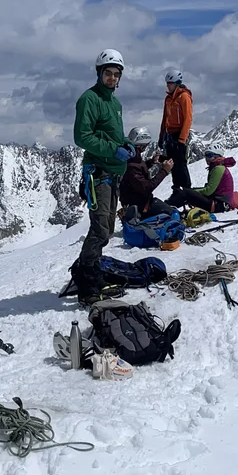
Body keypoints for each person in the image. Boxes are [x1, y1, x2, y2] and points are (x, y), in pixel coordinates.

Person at [69, 49, 133, 304]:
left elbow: (111, 134)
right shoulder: (90, 99)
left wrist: (125, 143)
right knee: (100, 230)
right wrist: (112, 150)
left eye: (117, 74)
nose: (113, 78)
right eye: (108, 73)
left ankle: (91, 273)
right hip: (98, 173)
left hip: (112, 173)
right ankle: (87, 286)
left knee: (107, 228)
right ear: (99, 73)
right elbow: (82, 137)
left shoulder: (114, 103)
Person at [118, 127, 175, 221]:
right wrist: (165, 170)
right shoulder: (132, 163)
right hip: (140, 205)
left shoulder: (131, 157)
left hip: (137, 202)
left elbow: (136, 172)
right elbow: (147, 187)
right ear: (141, 145)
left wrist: (151, 162)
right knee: (173, 214)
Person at [159, 69, 194, 194]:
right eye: (167, 83)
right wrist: (161, 135)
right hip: (169, 135)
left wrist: (182, 139)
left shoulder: (184, 97)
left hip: (179, 134)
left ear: (177, 83)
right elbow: (165, 119)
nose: (168, 85)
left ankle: (187, 191)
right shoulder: (168, 99)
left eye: (170, 83)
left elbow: (188, 119)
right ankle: (177, 191)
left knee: (180, 164)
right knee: (173, 164)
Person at [175, 150, 238, 214]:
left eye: (209, 155)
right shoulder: (218, 167)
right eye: (206, 155)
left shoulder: (218, 168)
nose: (207, 158)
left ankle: (170, 208)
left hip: (219, 205)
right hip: (220, 203)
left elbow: (209, 191)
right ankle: (171, 207)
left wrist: (193, 191)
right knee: (188, 192)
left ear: (217, 156)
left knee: (186, 192)